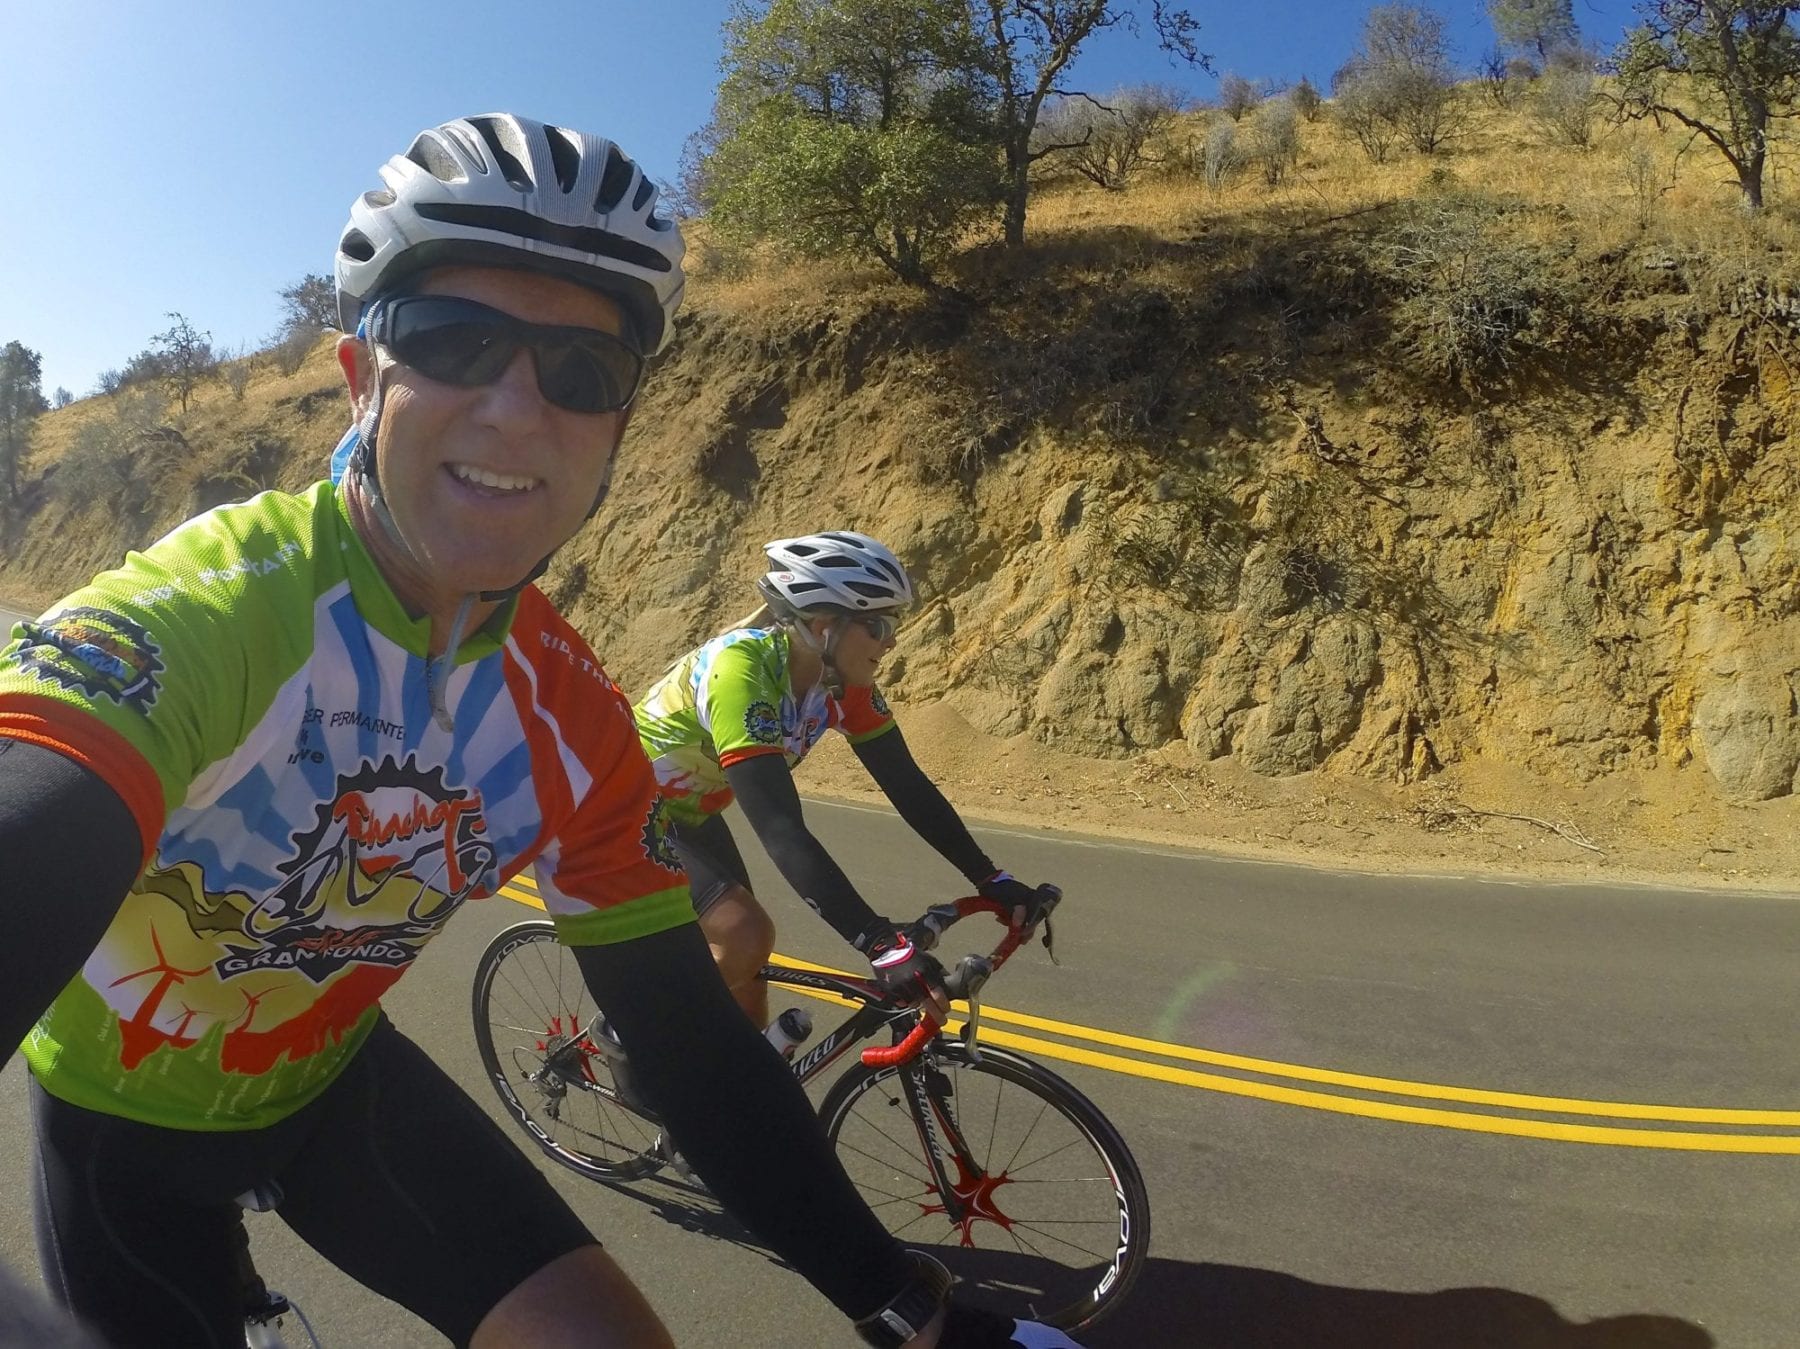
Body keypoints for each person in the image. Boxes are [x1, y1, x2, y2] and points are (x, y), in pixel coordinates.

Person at [0, 114, 1082, 1349]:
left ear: (621, 428)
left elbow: (686, 1041)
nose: (519, 408)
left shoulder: (568, 712)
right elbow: (39, 815)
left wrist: (912, 1308)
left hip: (332, 1082)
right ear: (361, 376)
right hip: (118, 1136)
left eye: (582, 374)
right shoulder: (210, 615)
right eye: (457, 341)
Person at [634, 531, 1058, 1028]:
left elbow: (908, 788)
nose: (893, 640)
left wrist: (992, 879)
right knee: (744, 935)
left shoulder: (841, 687)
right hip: (621, 805)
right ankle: (626, 1030)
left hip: (690, 812)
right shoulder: (740, 675)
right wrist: (878, 944)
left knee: (748, 985)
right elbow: (780, 828)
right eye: (878, 625)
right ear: (821, 625)